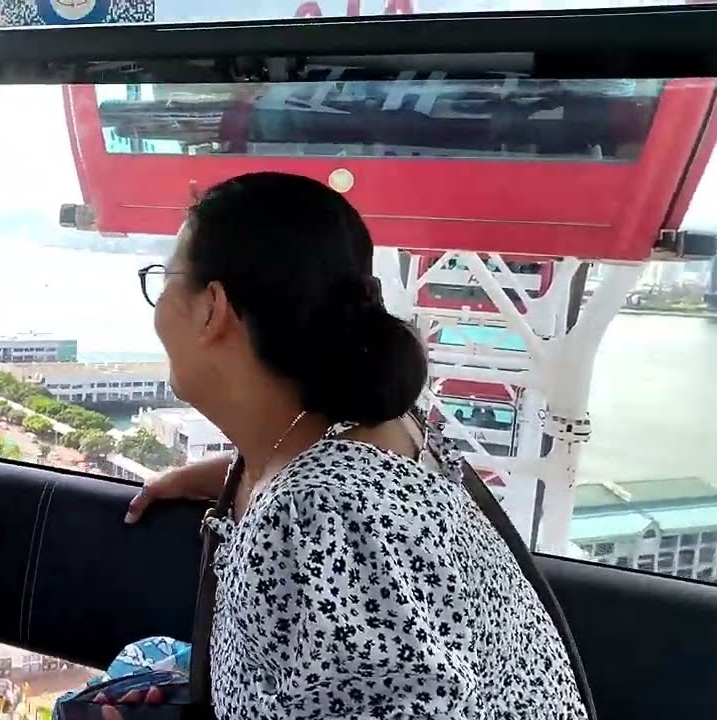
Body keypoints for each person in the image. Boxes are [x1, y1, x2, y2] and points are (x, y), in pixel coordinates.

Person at [106, 172, 587, 718]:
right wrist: (229, 477)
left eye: (165, 280)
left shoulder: (318, 514)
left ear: (213, 308)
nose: (158, 306)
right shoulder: (379, 433)